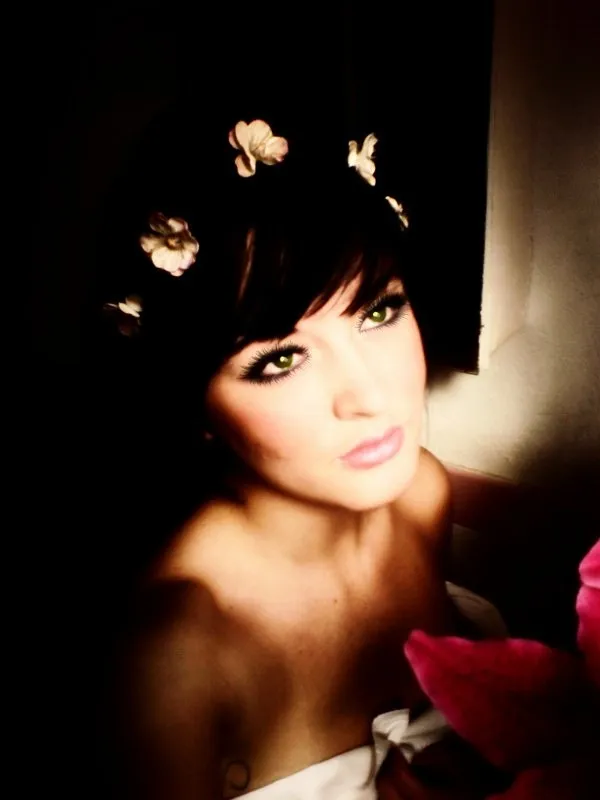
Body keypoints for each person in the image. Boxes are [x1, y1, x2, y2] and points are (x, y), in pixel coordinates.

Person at [99, 114, 506, 799]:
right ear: (196, 409)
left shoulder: (421, 496)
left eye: (378, 311)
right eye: (282, 360)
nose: (370, 396)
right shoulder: (176, 657)